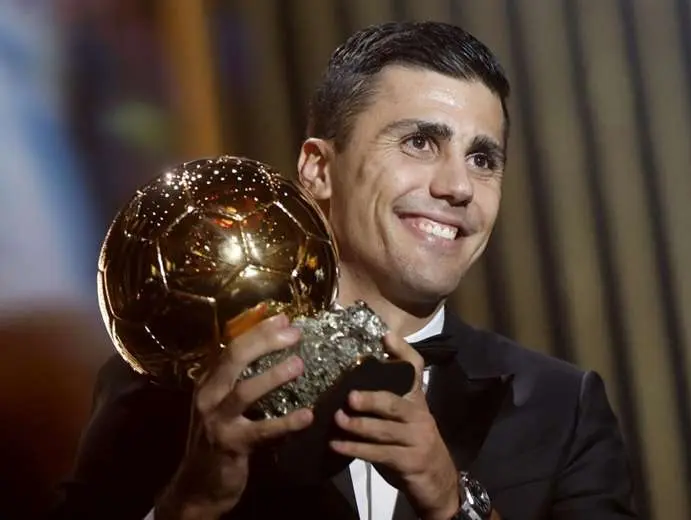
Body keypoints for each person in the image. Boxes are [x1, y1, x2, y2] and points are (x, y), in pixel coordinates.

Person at [49, 21, 637, 520]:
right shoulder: (173, 387)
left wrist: (452, 502)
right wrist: (191, 504)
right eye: (419, 143)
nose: (458, 187)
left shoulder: (562, 409)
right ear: (318, 170)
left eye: (482, 159)